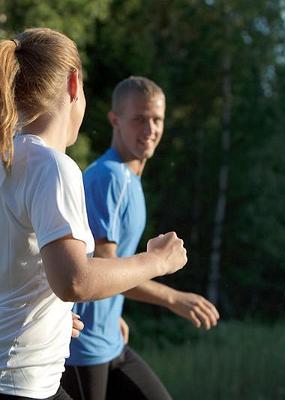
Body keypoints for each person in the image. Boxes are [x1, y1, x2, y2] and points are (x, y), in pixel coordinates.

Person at [0, 28, 188, 400]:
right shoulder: (54, 167)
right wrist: (156, 262)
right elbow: (75, 281)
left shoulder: (8, 160)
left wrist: (36, 311)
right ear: (73, 84)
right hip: (7, 384)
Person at [61, 76, 221, 400]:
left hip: (110, 340)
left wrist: (114, 310)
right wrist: (174, 298)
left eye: (157, 119)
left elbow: (108, 264)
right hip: (83, 347)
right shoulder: (109, 178)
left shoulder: (129, 177)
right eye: (139, 119)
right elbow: (104, 265)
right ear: (115, 120)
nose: (150, 129)